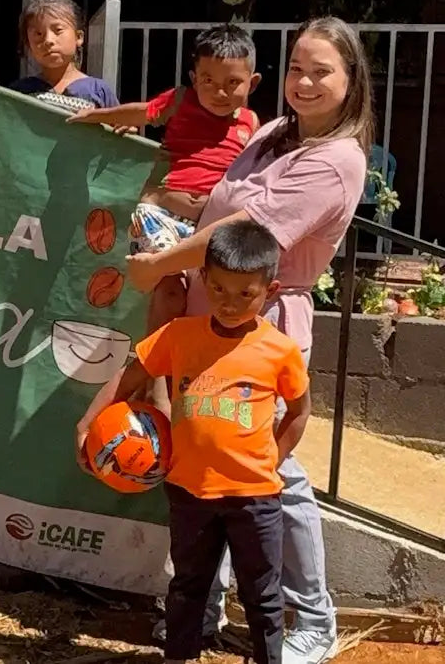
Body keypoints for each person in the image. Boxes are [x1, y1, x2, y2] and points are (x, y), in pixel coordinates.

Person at [125, 17, 373, 664]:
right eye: (297, 67)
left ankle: (314, 620)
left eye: (323, 71)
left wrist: (158, 265)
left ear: (351, 82)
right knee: (205, 456)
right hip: (207, 322)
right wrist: (161, 214)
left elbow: (248, 229)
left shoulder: (338, 161)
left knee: (272, 472)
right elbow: (214, 207)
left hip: (261, 328)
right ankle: (204, 608)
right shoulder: (268, 133)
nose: (306, 81)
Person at [77, 222, 310, 664]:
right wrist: (88, 423)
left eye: (246, 293)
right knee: (187, 588)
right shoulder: (178, 337)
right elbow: (127, 378)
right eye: (219, 289)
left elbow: (299, 413)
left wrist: (270, 464)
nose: (230, 302)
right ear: (203, 279)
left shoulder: (280, 351)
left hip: (254, 499)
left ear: (271, 290)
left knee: (262, 596)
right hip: (190, 493)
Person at [69, 23, 261, 256]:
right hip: (157, 215)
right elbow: (142, 112)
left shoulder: (250, 123)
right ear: (194, 78)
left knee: (190, 290)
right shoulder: (180, 101)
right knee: (168, 286)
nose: (219, 93)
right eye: (208, 80)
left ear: (252, 83)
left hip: (208, 229)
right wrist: (95, 115)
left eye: (232, 83)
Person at [8, 0, 118, 113]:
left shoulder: (98, 91)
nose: (48, 40)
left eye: (58, 30)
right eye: (38, 34)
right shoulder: (19, 92)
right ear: (29, 45)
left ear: (79, 37)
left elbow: (117, 126)